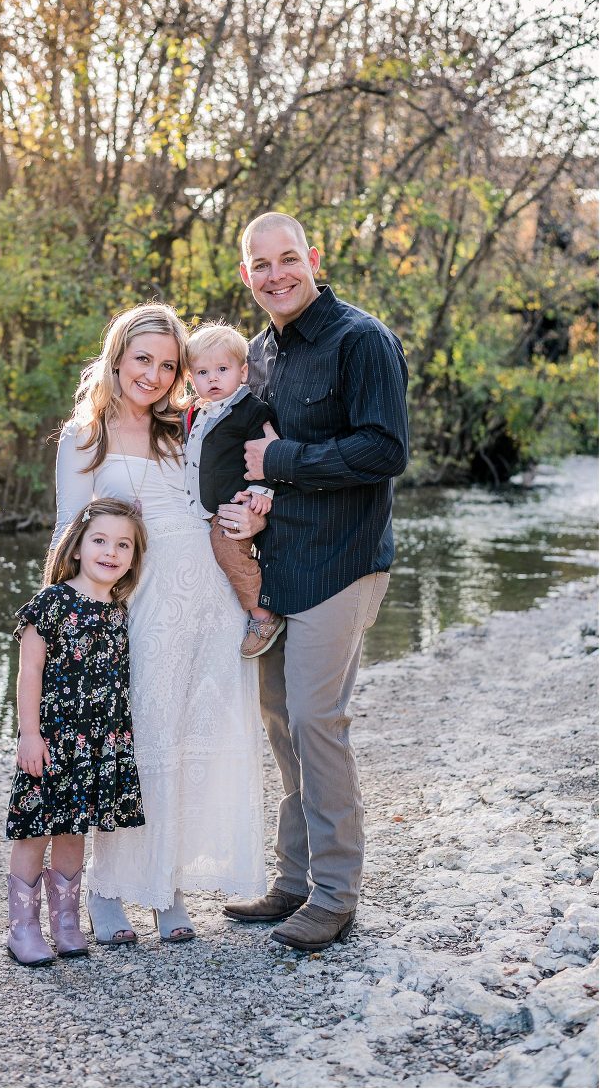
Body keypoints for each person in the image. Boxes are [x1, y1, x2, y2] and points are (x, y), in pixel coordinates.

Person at [221, 211, 410, 951]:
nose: (276, 274)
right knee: (279, 720)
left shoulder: (361, 340)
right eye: (260, 264)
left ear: (314, 258)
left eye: (288, 258)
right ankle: (293, 878)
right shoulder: (261, 352)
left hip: (344, 559)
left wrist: (283, 463)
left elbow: (384, 449)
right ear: (246, 276)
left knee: (315, 721)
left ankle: (335, 893)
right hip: (281, 563)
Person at [51, 302, 266, 945]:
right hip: (140, 603)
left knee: (186, 747)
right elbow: (70, 530)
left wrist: (253, 518)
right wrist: (67, 622)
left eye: (168, 364)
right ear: (117, 356)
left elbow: (229, 484)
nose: (154, 374)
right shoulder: (83, 436)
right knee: (136, 746)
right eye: (142, 358)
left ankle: (169, 889)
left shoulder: (186, 425)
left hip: (206, 601)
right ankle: (110, 889)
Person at [6, 497, 148, 967]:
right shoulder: (50, 604)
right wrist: (29, 734)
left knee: (73, 833)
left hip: (97, 743)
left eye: (123, 544)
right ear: (78, 546)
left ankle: (65, 924)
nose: (111, 551)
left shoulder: (120, 612)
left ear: (133, 556)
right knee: (34, 832)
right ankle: (22, 929)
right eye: (100, 540)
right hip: (50, 740)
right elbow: (29, 674)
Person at [184, 323, 285, 658]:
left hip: (235, 506)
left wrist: (261, 490)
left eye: (222, 370)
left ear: (243, 373)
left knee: (228, 550)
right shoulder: (197, 412)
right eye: (202, 372)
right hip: (205, 506)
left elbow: (268, 451)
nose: (212, 378)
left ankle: (263, 617)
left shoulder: (250, 410)